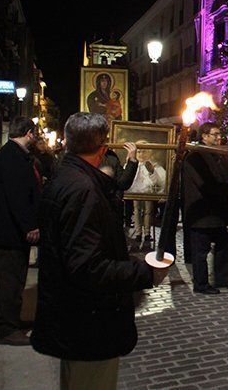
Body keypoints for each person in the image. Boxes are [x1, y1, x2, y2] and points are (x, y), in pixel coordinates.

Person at [30, 112, 166, 389]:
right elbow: (87, 266)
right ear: (103, 148)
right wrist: (144, 273)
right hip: (88, 322)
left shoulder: (67, 177)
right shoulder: (84, 190)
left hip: (73, 317)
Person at [0, 117, 41, 346]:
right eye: (34, 134)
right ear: (28, 133)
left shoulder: (10, 154)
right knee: (12, 280)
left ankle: (4, 319)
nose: (35, 138)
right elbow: (17, 197)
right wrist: (30, 225)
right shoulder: (13, 158)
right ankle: (7, 330)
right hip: (10, 231)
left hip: (8, 229)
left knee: (8, 278)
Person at [183, 123, 228, 295]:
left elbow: (223, 177)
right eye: (214, 134)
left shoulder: (216, 155)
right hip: (201, 213)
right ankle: (201, 284)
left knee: (223, 244)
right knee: (201, 251)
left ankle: (221, 278)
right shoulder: (195, 158)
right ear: (204, 137)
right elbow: (206, 184)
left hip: (215, 212)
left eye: (219, 134)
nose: (218, 137)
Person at [129, 143, 166, 250]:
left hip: (148, 192)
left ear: (149, 152)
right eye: (139, 151)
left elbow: (161, 181)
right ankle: (138, 233)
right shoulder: (132, 163)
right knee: (136, 211)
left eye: (144, 151)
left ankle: (147, 233)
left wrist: (152, 172)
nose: (141, 154)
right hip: (136, 192)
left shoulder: (155, 165)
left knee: (148, 212)